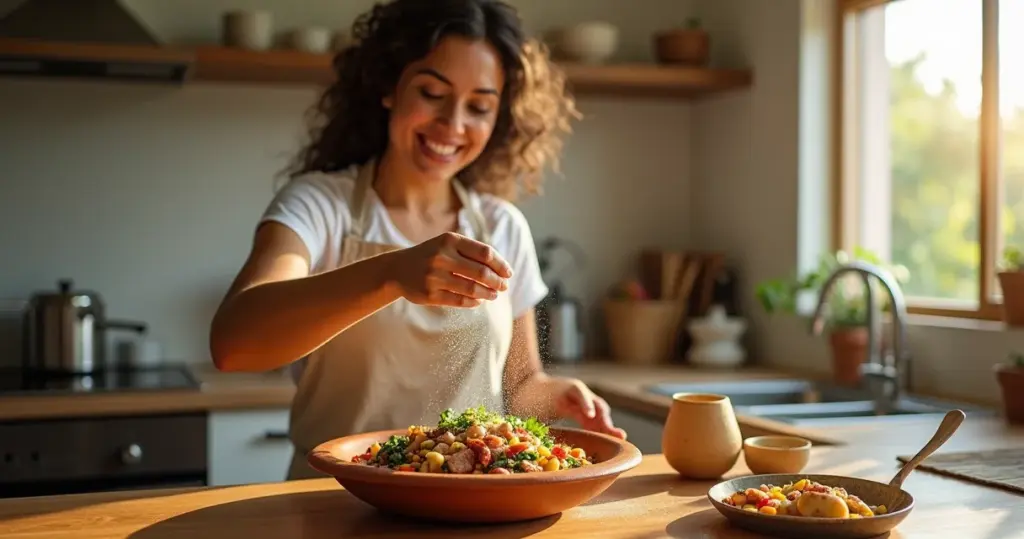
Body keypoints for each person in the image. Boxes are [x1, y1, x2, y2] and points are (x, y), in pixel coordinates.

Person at [209, 0, 626, 480]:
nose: (453, 124)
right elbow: (233, 345)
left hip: (473, 503)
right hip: (333, 503)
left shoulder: (501, 225)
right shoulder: (320, 206)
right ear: (388, 87)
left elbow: (520, 384)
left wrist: (558, 394)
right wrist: (390, 273)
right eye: (432, 92)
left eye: (480, 106)